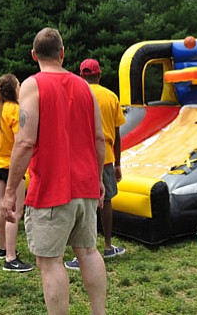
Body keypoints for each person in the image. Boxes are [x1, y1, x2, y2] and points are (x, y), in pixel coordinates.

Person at [1, 27, 107, 315]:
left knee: (50, 262)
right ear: (62, 53)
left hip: (50, 189)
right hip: (85, 185)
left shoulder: (32, 85)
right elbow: (100, 138)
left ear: (34, 55)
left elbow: (24, 141)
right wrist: (98, 180)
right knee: (88, 252)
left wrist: (10, 192)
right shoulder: (85, 86)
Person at [65, 59, 126, 272]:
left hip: (81, 157)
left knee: (81, 203)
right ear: (99, 75)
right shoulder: (110, 97)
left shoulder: (74, 95)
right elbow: (117, 134)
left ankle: (78, 253)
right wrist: (118, 163)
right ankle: (108, 246)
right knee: (106, 200)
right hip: (106, 157)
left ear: (81, 75)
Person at [0, 73, 33, 272]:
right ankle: (11, 257)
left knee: (1, 206)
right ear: (14, 89)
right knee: (14, 212)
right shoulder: (16, 110)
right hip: (12, 166)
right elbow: (21, 140)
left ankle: (2, 248)